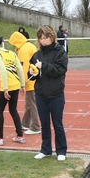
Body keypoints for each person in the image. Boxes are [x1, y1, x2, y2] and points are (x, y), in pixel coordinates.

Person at [28, 25, 68, 161]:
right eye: (40, 38)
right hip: (40, 94)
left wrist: (44, 66)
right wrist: (32, 72)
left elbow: (60, 70)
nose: (43, 41)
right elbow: (33, 74)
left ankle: (61, 151)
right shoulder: (37, 54)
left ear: (52, 37)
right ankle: (45, 150)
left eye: (45, 38)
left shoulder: (60, 52)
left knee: (57, 124)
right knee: (44, 124)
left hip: (56, 95)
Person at [0, 36, 26, 146]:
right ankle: (20, 136)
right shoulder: (12, 53)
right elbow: (20, 69)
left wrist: (5, 89)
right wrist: (22, 85)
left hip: (7, 87)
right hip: (16, 85)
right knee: (13, 110)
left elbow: (3, 71)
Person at [8, 31, 41, 135]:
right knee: (28, 103)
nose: (13, 46)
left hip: (30, 80)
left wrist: (23, 83)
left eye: (13, 43)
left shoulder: (23, 50)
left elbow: (24, 67)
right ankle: (25, 123)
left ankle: (35, 127)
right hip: (34, 77)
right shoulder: (29, 46)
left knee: (31, 104)